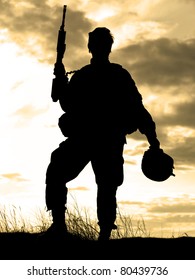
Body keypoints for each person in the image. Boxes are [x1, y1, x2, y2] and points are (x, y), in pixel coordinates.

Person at [45, 27, 160, 241]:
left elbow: (137, 109)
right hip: (95, 138)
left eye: (97, 44)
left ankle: (98, 232)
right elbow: (66, 103)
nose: (96, 48)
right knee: (62, 172)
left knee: (104, 184)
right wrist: (61, 79)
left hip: (98, 138)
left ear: (94, 47)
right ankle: (64, 227)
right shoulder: (101, 76)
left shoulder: (109, 76)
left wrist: (154, 141)